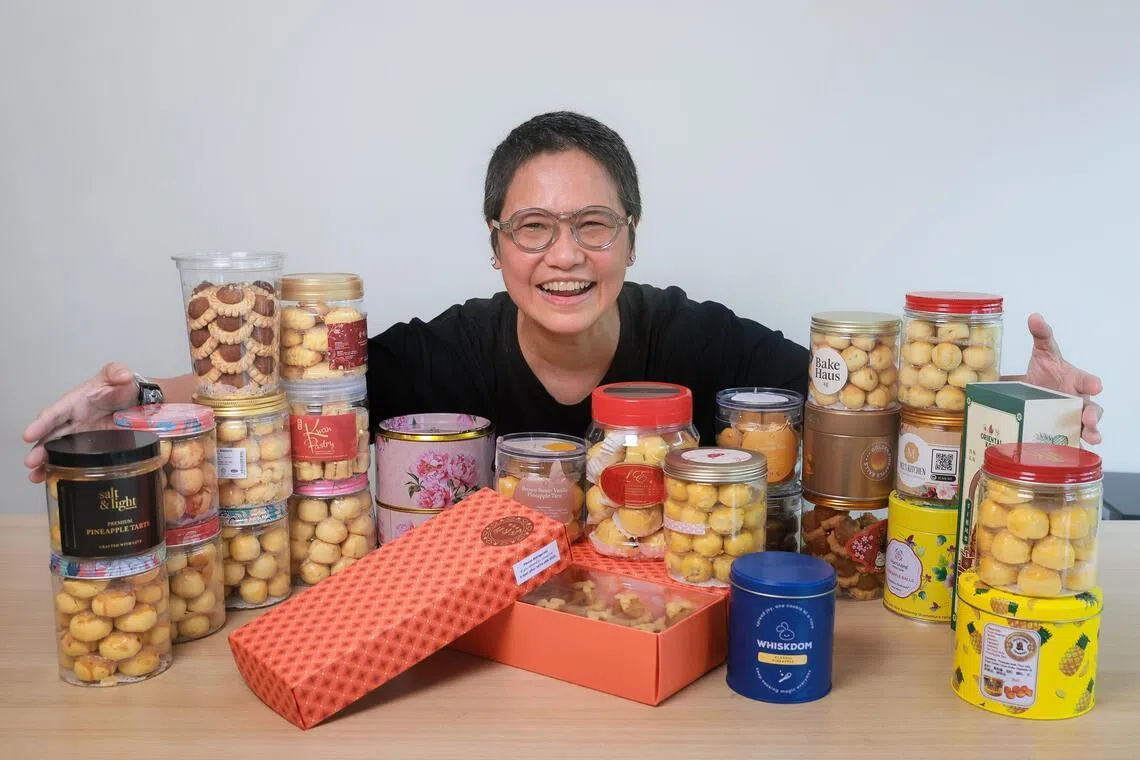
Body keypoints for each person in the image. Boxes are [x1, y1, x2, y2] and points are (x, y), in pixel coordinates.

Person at [21, 111, 1104, 485]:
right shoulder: (449, 352)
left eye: (593, 224)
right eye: (532, 228)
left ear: (632, 238)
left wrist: (1017, 404)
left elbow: (864, 405)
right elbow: (296, 389)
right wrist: (141, 404)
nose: (564, 254)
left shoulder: (698, 339)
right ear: (497, 249)